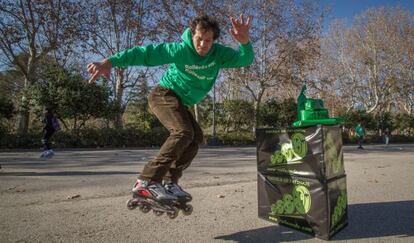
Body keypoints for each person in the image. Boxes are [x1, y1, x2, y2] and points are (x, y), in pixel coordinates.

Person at [87, 14, 254, 201]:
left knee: (195, 138)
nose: (202, 45)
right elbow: (146, 54)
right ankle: (147, 181)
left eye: (208, 41)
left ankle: (169, 182)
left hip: (181, 103)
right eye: (199, 39)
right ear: (192, 36)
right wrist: (110, 62)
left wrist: (245, 42)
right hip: (163, 95)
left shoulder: (219, 54)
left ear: (213, 41)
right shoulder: (180, 50)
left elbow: (244, 59)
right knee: (183, 132)